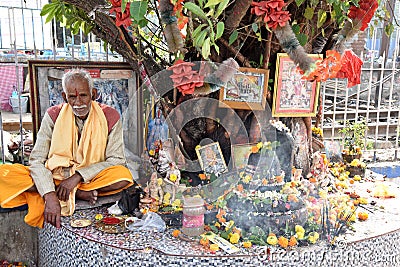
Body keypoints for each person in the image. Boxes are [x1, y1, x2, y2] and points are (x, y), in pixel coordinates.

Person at [0, 69, 134, 229]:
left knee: (123, 176)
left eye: (83, 95)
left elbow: (116, 160)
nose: (78, 102)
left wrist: (77, 176)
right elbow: (36, 160)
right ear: (64, 97)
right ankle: (75, 194)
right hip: (55, 176)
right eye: (72, 97)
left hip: (89, 179)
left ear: (94, 94)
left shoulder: (110, 116)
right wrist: (49, 196)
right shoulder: (53, 115)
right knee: (4, 175)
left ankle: (71, 190)